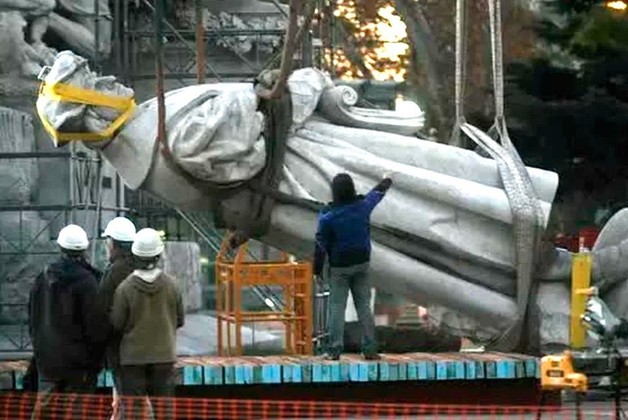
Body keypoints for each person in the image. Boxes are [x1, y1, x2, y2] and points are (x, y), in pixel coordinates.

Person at [29, 224, 105, 419]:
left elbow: (33, 316)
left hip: (48, 360)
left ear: (60, 248)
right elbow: (95, 325)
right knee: (76, 413)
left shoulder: (44, 277)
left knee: (44, 411)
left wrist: (39, 348)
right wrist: (96, 360)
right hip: (79, 365)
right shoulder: (89, 282)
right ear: (85, 249)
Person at [314, 173, 393, 361]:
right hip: (362, 263)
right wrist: (387, 180)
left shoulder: (328, 217)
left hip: (339, 268)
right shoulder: (362, 207)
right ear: (352, 188)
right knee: (364, 306)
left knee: (336, 307)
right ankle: (370, 349)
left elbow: (320, 246)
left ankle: (334, 350)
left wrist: (316, 270)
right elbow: (377, 194)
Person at [111, 228, 184, 419]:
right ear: (159, 255)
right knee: (164, 412)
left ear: (135, 255)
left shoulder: (125, 288)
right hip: (164, 357)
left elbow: (117, 323)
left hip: (132, 359)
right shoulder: (173, 285)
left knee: (134, 413)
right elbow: (179, 320)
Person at [98, 217, 137, 420]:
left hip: (121, 350)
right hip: (147, 350)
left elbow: (103, 311)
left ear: (113, 244)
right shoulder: (144, 269)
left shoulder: (114, 273)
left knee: (125, 403)